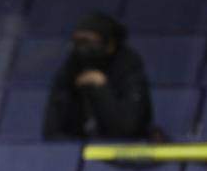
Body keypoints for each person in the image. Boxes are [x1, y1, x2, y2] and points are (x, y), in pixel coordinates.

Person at [42, 11, 152, 140]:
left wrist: (101, 88)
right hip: (77, 151)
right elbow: (52, 131)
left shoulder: (129, 69)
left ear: (110, 44)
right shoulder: (71, 68)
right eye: (77, 42)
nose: (83, 49)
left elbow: (127, 128)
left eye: (89, 42)